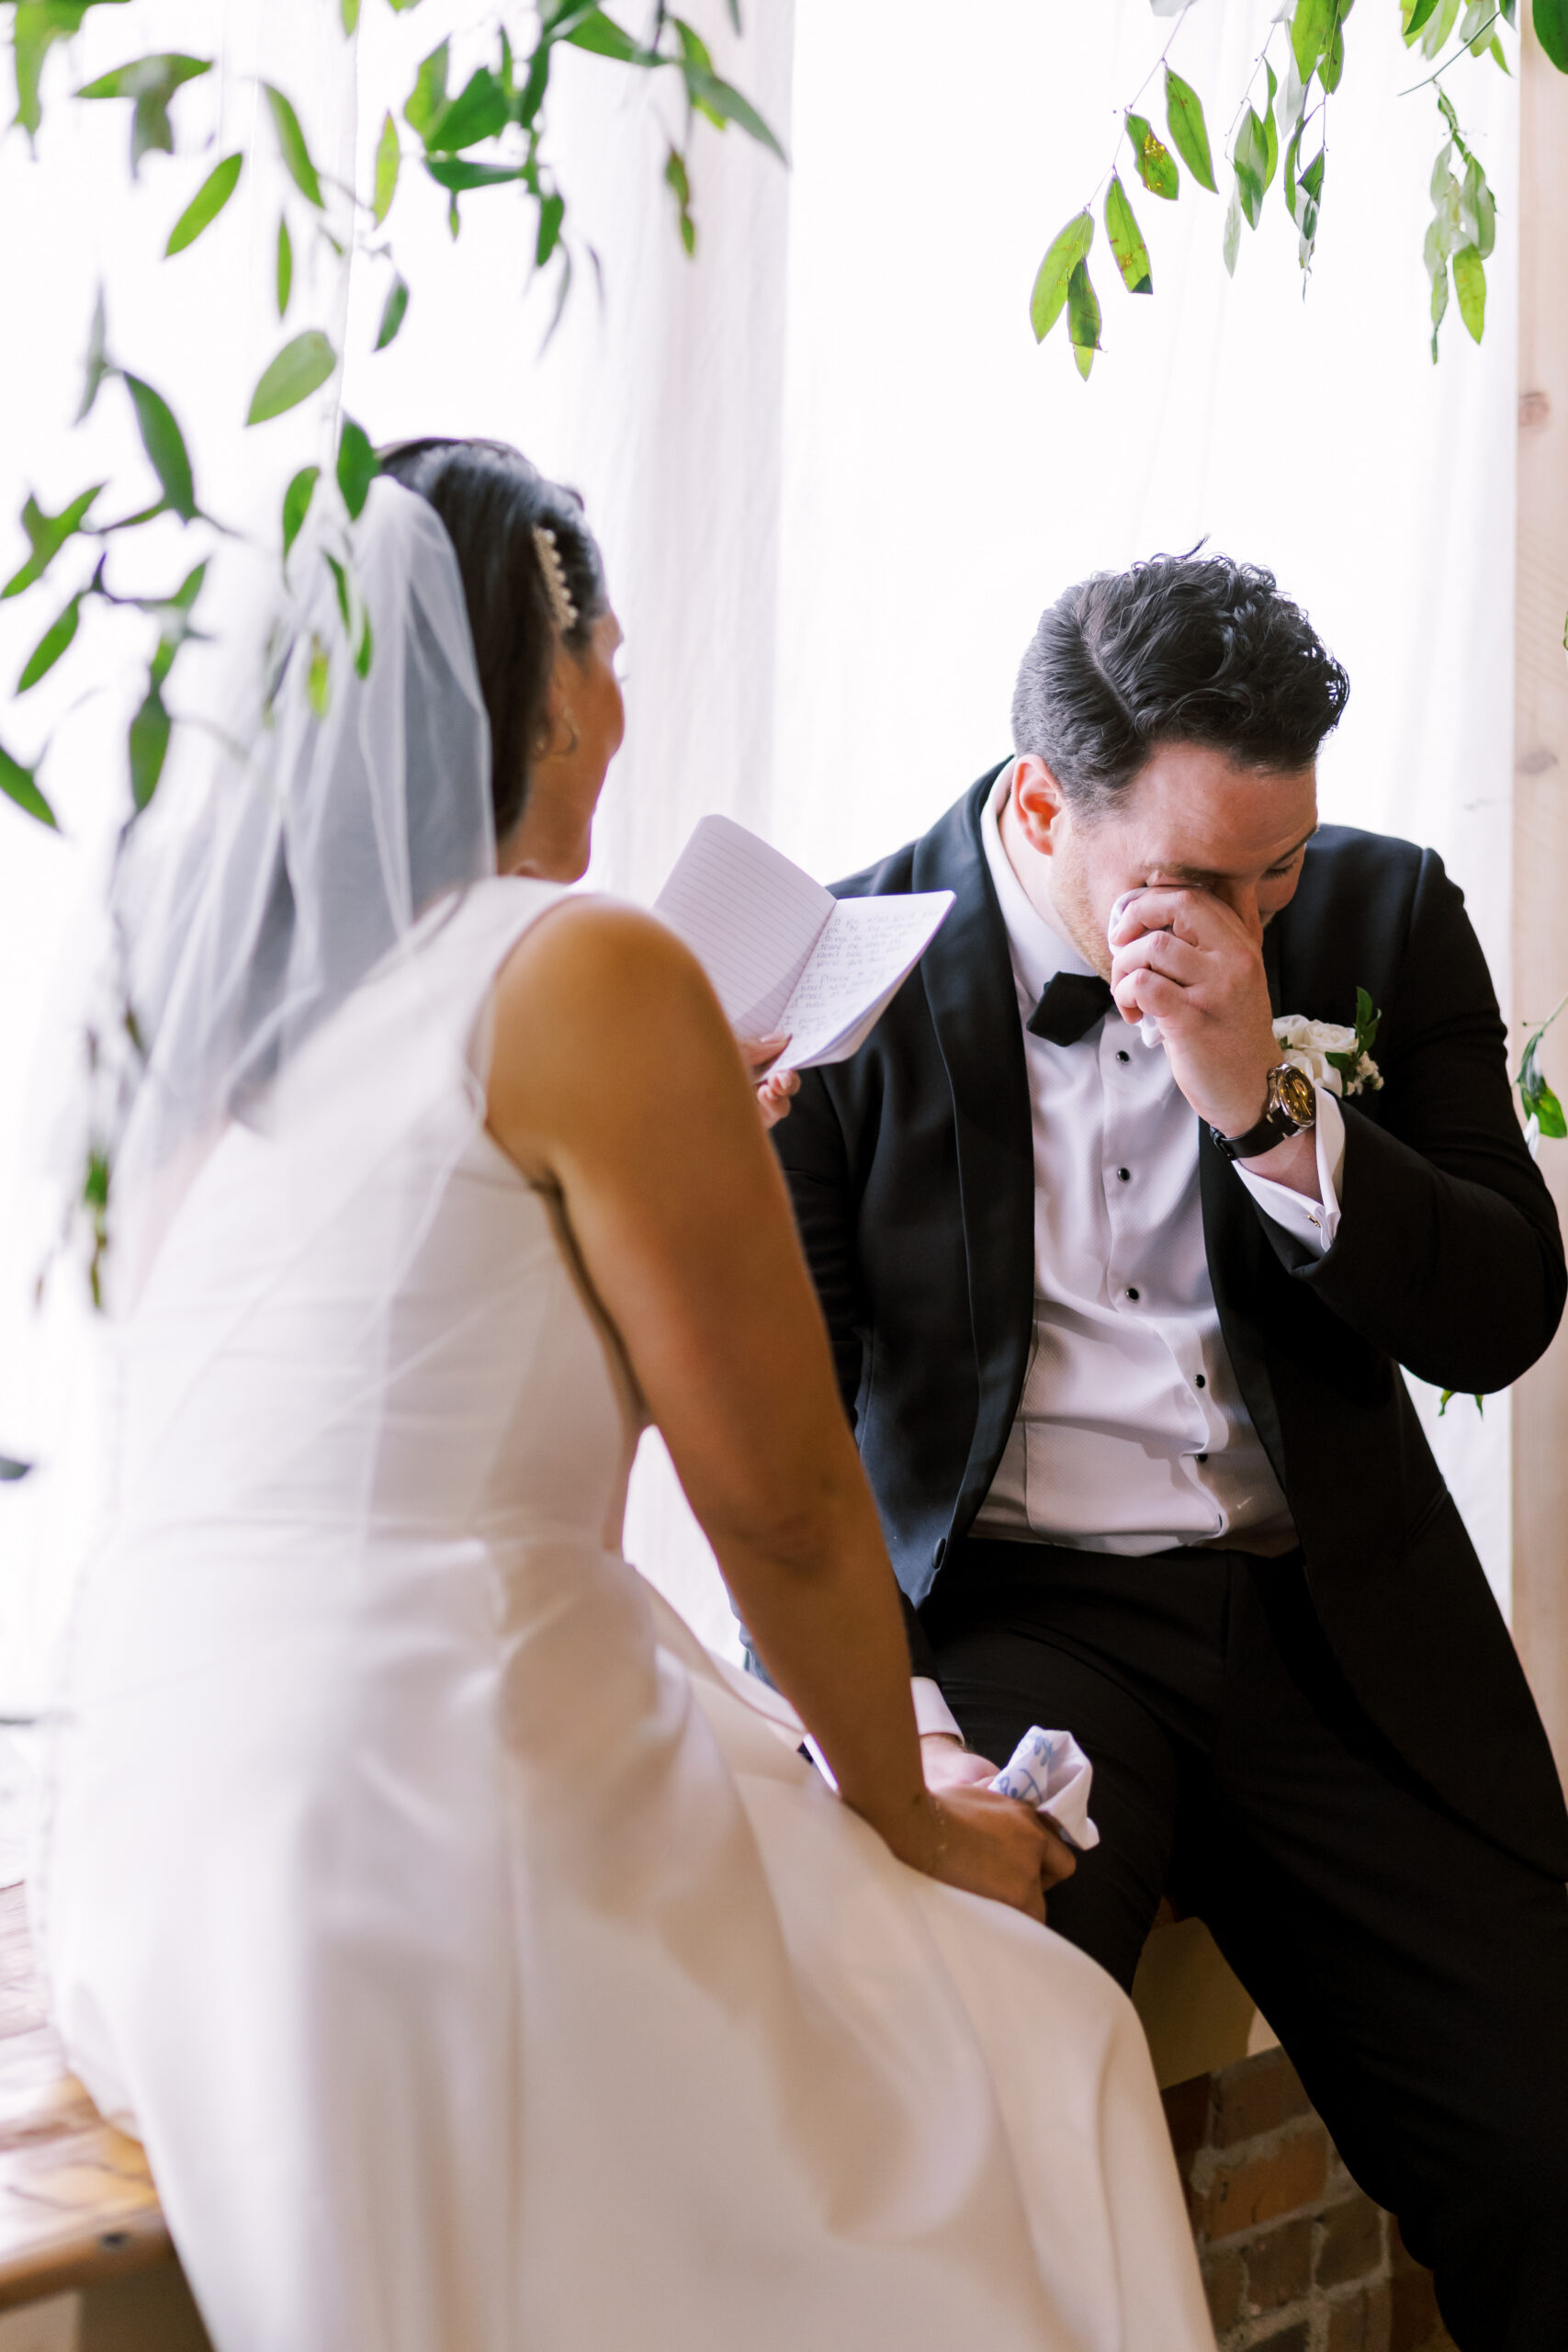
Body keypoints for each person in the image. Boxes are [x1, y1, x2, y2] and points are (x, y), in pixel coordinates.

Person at [39, 445, 1214, 2352]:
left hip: (164, 1829)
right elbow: (785, 1507)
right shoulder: (582, 962)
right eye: (615, 648)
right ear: (550, 670)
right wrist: (916, 1821)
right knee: (1042, 2033)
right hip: (412, 1797)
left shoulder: (250, 1009)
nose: (626, 707)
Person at [772, 553, 1568, 2352]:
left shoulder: (1374, 916)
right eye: (1201, 878)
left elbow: (1504, 1309)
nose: (1256, 916)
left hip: (1326, 1618)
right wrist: (894, 1725)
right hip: (1013, 1631)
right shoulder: (847, 976)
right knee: (963, 2143)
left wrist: (1265, 1104)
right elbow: (789, 1438)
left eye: (1277, 864)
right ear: (1041, 802)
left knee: (1545, 2144)